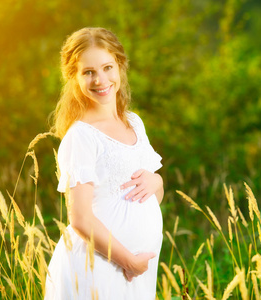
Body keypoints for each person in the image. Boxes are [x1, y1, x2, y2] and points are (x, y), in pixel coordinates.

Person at [44, 27, 164, 300]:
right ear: (74, 78)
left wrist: (157, 180)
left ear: (120, 66)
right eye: (88, 72)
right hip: (98, 267)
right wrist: (128, 262)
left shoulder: (133, 122)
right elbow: (81, 219)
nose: (100, 80)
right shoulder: (82, 135)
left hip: (135, 271)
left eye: (107, 67)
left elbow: (152, 196)